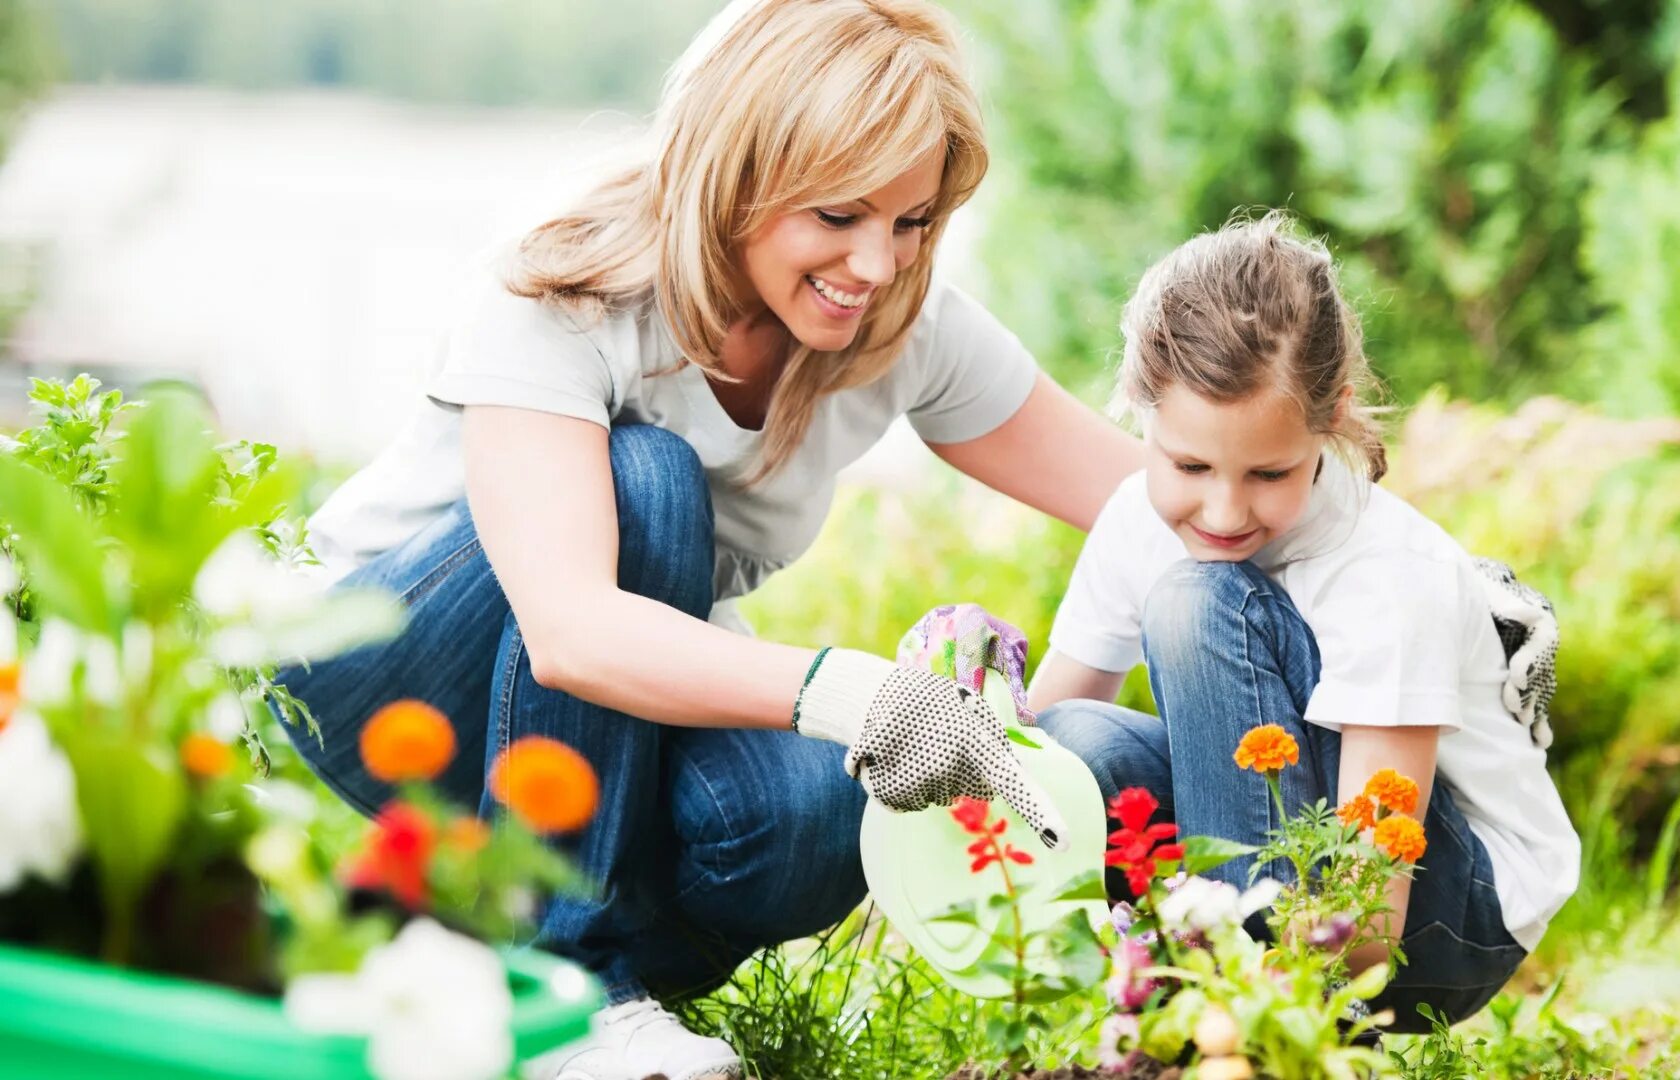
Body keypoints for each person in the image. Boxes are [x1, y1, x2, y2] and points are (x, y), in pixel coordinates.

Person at [275, 2, 1141, 1077]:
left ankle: (533, 973)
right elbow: (573, 633)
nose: (876, 263)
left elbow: (1155, 498)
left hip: (577, 743)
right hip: (371, 685)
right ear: (739, 175)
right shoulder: (567, 291)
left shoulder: (900, 323)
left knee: (825, 807)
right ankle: (564, 997)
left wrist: (1340, 529)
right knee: (647, 482)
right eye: (838, 214)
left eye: (913, 221)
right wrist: (867, 694)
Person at [1028, 212, 1580, 1029]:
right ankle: (1195, 995)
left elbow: (1371, 922)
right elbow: (1033, 752)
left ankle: (1246, 1020)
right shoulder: (1135, 518)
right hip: (1286, 865)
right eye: (1188, 465)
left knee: (1195, 599)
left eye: (1268, 472)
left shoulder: (1388, 575)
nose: (1222, 509)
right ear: (1140, 415)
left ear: (1331, 420)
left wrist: (1250, 989)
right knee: (1076, 747)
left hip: (1444, 917)